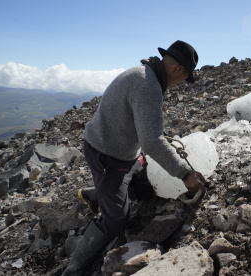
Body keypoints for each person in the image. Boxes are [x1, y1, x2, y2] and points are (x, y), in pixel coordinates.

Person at [62, 40, 206, 275]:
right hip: (108, 156)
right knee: (116, 222)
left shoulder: (146, 75)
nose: (181, 84)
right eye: (185, 77)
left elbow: (146, 131)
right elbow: (151, 141)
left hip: (127, 153)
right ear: (179, 69)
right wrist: (185, 173)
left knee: (147, 192)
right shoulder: (147, 84)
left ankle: (96, 193)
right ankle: (73, 269)